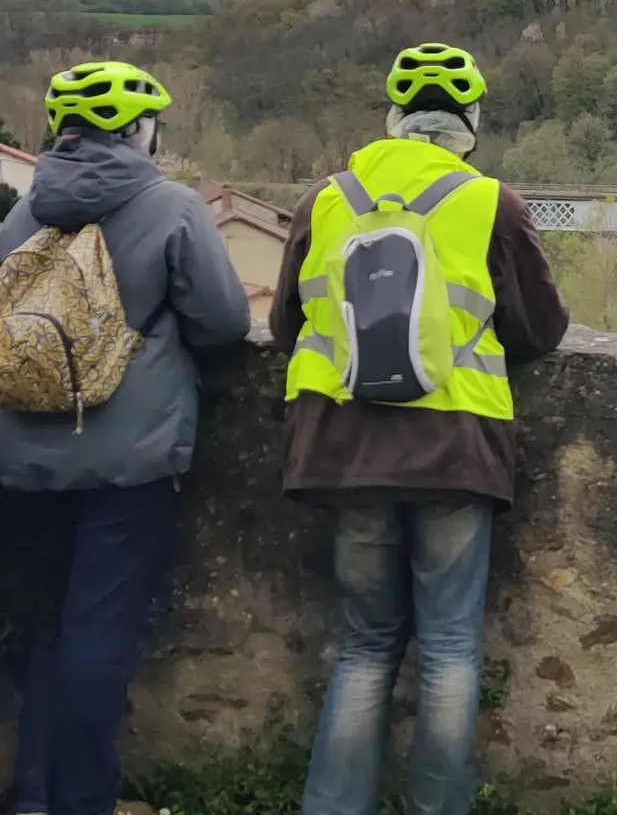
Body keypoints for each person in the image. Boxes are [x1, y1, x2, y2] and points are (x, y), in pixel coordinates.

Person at [271, 43, 568, 815]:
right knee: (447, 650)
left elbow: (282, 325)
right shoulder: (491, 203)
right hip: (454, 452)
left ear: (393, 119)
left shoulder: (324, 200)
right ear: (468, 125)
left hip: (341, 447)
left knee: (366, 646)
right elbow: (540, 330)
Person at [0, 62, 253, 815]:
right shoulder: (170, 205)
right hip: (126, 462)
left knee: (41, 629)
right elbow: (224, 323)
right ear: (140, 132)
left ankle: (35, 796)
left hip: (18, 461)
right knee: (97, 636)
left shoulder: (21, 213)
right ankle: (82, 799)